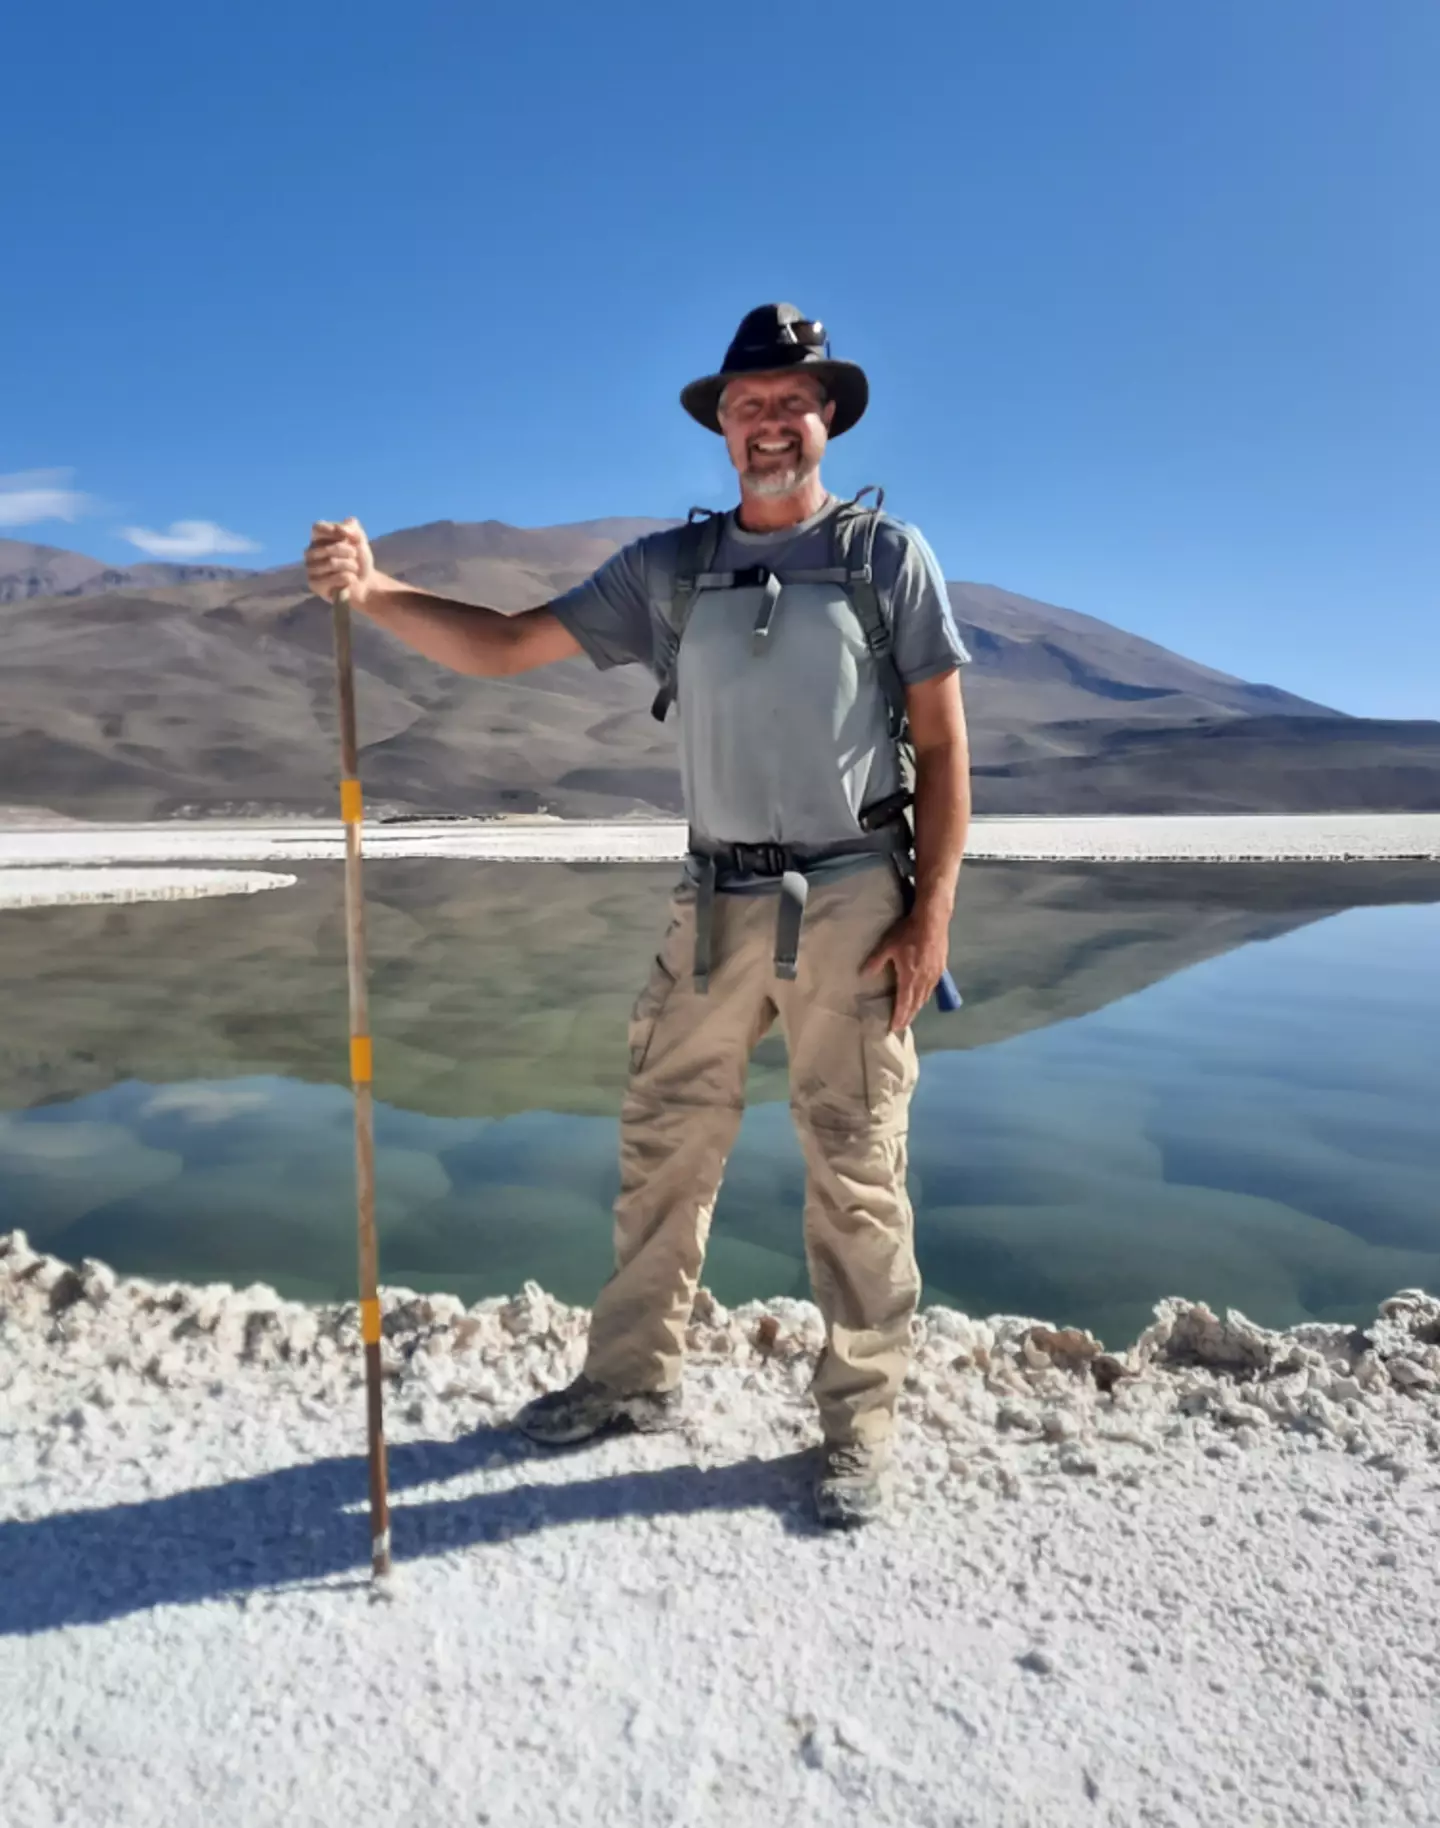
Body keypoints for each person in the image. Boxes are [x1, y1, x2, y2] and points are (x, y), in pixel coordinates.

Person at [304, 303, 972, 1526]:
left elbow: (940, 739)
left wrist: (929, 919)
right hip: (713, 899)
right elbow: (506, 646)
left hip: (852, 899)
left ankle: (859, 1422)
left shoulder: (886, 561)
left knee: (858, 1166)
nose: (771, 422)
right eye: (749, 403)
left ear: (830, 417)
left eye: (793, 401)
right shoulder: (671, 570)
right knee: (662, 1142)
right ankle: (629, 1378)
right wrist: (380, 590)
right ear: (722, 424)